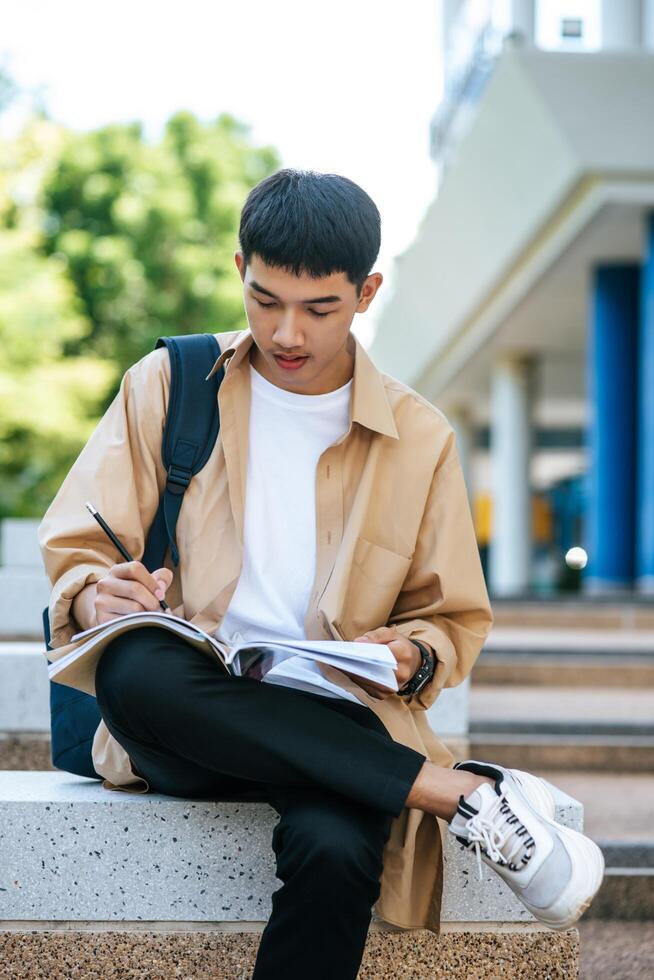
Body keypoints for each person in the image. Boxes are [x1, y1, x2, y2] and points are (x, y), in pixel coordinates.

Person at [38, 168, 604, 980]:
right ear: (241, 269)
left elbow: (449, 619)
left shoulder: (420, 437)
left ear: (367, 292)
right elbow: (78, 546)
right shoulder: (168, 384)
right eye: (265, 300)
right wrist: (96, 592)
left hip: (337, 715)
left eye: (319, 308)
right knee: (133, 668)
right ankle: (460, 795)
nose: (287, 333)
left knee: (338, 849)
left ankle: (436, 787)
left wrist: (411, 654)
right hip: (191, 711)